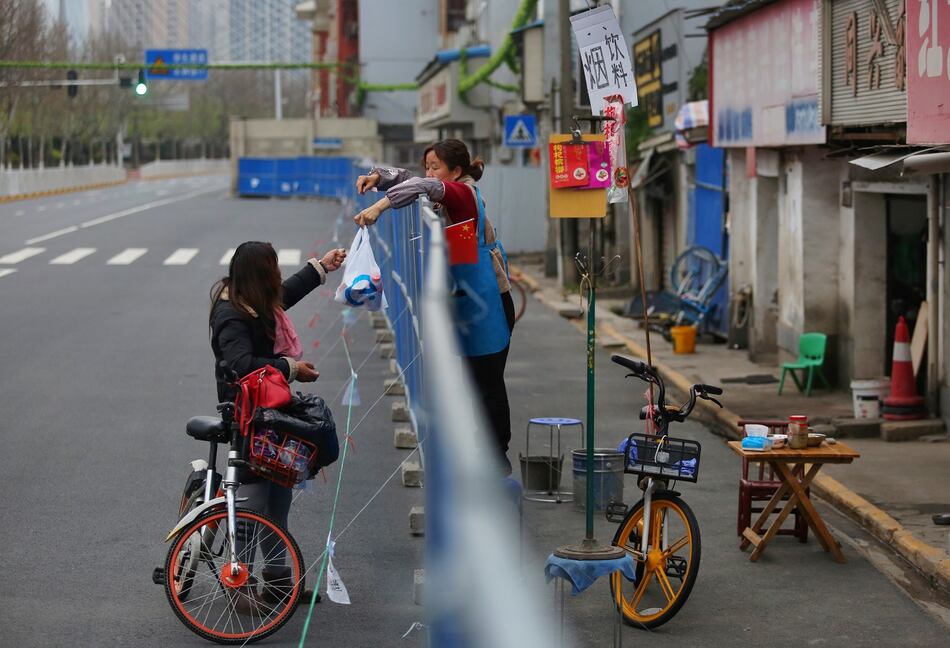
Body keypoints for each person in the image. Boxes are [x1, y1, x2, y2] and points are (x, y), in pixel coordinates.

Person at [353, 139, 516, 472]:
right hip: (471, 303)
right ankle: (480, 452)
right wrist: (379, 177)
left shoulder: (463, 195)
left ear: (455, 171)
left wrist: (380, 206)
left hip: (490, 304)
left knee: (488, 385)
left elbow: (424, 185)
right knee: (473, 383)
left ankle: (497, 457)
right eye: (427, 165)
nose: (428, 172)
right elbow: (411, 180)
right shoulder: (452, 193)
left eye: (435, 166)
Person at [209, 241, 345, 609]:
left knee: (281, 491)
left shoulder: (255, 302)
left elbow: (285, 294)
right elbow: (240, 364)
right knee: (253, 504)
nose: (279, 277)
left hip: (268, 405)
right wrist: (291, 368)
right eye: (273, 269)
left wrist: (321, 268)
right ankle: (238, 584)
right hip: (245, 413)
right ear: (259, 277)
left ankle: (278, 582)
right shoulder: (231, 315)